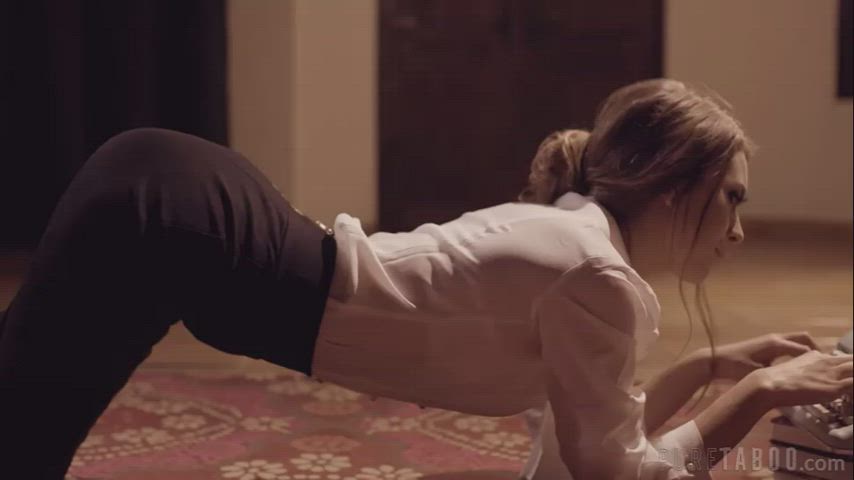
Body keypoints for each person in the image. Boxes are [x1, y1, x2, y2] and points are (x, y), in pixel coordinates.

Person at [0, 78, 851, 479]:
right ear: (672, 189)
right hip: (177, 219)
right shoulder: (594, 273)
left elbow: (575, 463)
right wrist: (760, 393)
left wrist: (708, 368)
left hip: (180, 209)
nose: (739, 229)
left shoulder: (586, 256)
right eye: (731, 198)